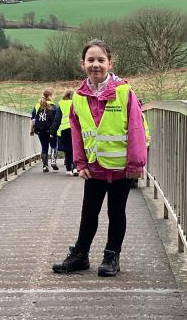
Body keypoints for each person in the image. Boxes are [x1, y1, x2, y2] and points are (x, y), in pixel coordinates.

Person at [52, 39, 147, 277]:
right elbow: (76, 131)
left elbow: (136, 127)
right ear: (83, 64)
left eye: (101, 60)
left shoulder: (124, 92)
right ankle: (80, 255)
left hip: (121, 167)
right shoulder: (78, 97)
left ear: (110, 64)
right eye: (91, 60)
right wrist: (80, 162)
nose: (96, 64)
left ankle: (111, 256)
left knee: (116, 212)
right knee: (89, 212)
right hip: (94, 166)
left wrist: (136, 164)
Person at [30, 88, 59, 172]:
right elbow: (56, 120)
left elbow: (33, 119)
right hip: (51, 130)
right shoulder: (54, 107)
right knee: (53, 145)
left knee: (44, 146)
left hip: (40, 130)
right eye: (53, 95)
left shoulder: (37, 106)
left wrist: (31, 129)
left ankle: (45, 166)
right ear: (49, 96)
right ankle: (53, 161)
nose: (54, 97)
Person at [51, 89, 77, 176]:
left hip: (64, 130)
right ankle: (75, 168)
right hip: (74, 129)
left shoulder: (61, 104)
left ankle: (68, 170)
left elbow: (57, 120)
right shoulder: (75, 103)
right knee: (75, 149)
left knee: (67, 150)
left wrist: (52, 131)